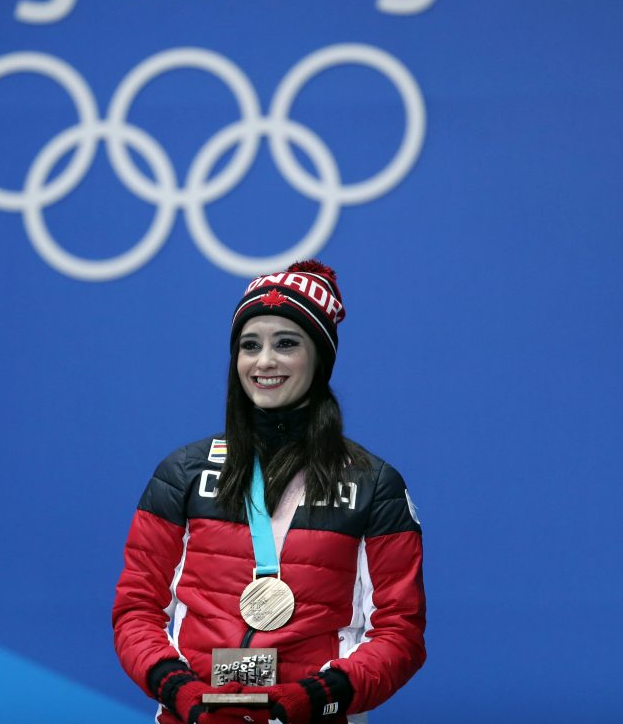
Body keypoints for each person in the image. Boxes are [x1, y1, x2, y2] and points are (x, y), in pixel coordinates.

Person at [113, 260, 425, 724]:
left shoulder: (372, 484)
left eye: (286, 344)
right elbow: (137, 609)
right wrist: (177, 688)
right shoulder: (183, 471)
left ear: (319, 357)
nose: (264, 362)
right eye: (249, 345)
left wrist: (320, 695)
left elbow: (400, 633)